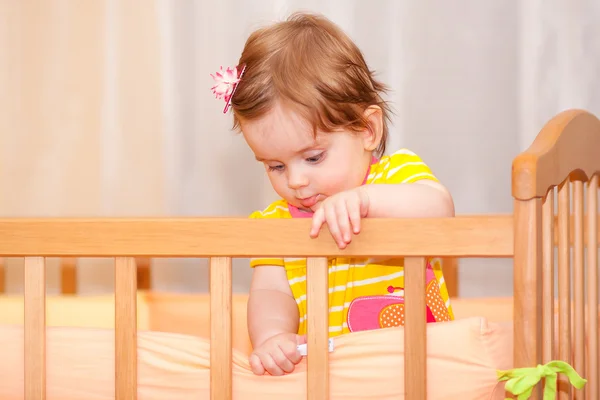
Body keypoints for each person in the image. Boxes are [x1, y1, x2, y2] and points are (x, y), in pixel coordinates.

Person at [210, 11, 456, 377]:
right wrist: (273, 335)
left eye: (313, 157)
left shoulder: (395, 178)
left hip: (418, 368)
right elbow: (271, 294)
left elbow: (440, 209)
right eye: (275, 166)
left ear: (367, 130)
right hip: (329, 378)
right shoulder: (278, 224)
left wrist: (368, 201)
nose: (295, 181)